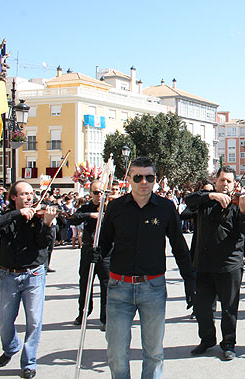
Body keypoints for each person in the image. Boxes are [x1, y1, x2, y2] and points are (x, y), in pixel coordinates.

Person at [98, 157, 196, 378]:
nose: (144, 182)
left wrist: (190, 279)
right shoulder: (115, 207)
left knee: (153, 352)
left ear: (155, 180)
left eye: (149, 177)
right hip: (119, 288)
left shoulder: (165, 208)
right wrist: (96, 255)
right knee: (116, 352)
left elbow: (179, 246)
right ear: (129, 179)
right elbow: (104, 242)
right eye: (138, 177)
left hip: (153, 287)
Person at [185, 166, 245, 361]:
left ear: (234, 184)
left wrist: (244, 210)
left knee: (229, 308)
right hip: (203, 264)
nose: (225, 184)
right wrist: (211, 196)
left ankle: (229, 343)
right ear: (215, 181)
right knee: (202, 307)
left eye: (229, 181)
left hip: (229, 265)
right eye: (222, 180)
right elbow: (189, 201)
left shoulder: (238, 202)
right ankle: (207, 339)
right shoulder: (205, 200)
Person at [0, 181, 58, 379]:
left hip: (34, 274)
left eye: (31, 194)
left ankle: (29, 363)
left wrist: (48, 224)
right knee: (4, 321)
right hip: (7, 275)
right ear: (13, 197)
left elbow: (44, 244)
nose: (29, 197)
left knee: (34, 320)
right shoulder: (5, 216)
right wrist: (18, 214)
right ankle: (11, 346)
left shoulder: (39, 217)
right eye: (24, 194)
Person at [69, 180, 110, 330]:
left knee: (106, 284)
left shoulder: (110, 208)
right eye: (96, 192)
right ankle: (83, 312)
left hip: (105, 251)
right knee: (85, 283)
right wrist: (91, 215)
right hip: (87, 249)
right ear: (90, 193)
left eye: (102, 192)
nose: (99, 195)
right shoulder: (86, 207)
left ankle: (105, 318)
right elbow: (73, 218)